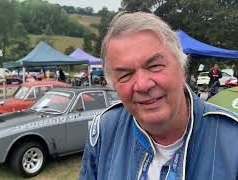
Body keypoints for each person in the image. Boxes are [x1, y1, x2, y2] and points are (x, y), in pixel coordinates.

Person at [79, 12, 238, 180]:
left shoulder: (232, 139)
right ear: (113, 85)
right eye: (125, 75)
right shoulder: (104, 131)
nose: (142, 85)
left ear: (181, 66)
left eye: (154, 66)